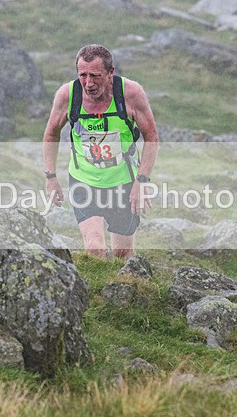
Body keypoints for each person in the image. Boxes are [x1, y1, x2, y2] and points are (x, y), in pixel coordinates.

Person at [43, 44, 158, 258]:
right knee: (94, 246)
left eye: (95, 76)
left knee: (122, 254)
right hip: (84, 181)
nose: (88, 83)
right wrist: (51, 177)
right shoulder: (68, 95)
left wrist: (142, 181)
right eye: (83, 75)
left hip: (123, 181)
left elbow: (151, 137)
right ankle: (93, 278)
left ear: (110, 72)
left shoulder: (131, 93)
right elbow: (51, 134)